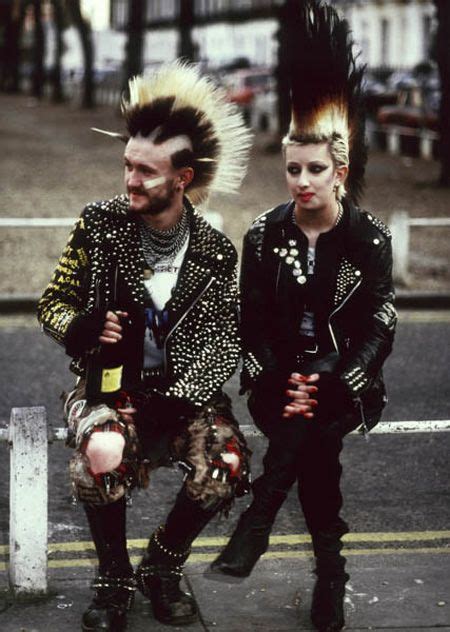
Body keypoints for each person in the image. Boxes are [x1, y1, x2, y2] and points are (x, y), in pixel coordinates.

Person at [37, 61, 252, 632]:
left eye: (147, 172)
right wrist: (82, 327)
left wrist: (173, 401)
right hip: (105, 388)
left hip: (182, 396)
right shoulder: (100, 224)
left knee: (227, 462)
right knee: (104, 452)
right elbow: (52, 303)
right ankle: (112, 578)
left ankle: (162, 563)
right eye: (127, 165)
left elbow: (221, 343)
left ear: (182, 178)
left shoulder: (213, 252)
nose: (130, 180)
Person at [210, 3, 397, 631]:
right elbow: (251, 324)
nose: (301, 181)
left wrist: (342, 376)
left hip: (346, 381)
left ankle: (261, 518)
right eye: (292, 169)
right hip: (279, 381)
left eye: (315, 169)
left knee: (313, 432)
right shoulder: (263, 237)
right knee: (311, 438)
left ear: (340, 173)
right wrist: (280, 377)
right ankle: (330, 574)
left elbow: (380, 322)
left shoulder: (368, 239)